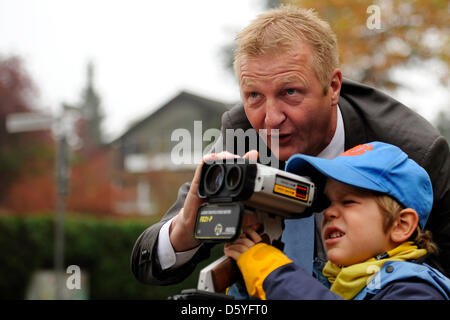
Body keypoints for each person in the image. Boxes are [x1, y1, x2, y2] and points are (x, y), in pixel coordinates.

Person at [130, 6, 450, 293]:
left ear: (333, 87)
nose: (270, 119)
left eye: (290, 91)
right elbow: (148, 265)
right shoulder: (243, 134)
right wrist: (187, 229)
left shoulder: (416, 152)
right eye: (253, 95)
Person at [225, 142, 450, 299]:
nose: (329, 213)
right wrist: (246, 284)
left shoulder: (416, 290)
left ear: (401, 225)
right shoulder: (334, 284)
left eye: (348, 202)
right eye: (328, 203)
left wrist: (273, 276)